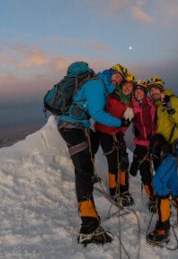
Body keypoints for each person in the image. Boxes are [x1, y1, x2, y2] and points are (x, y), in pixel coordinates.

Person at [58, 63, 130, 245]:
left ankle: (89, 219)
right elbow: (97, 113)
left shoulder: (100, 86)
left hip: (75, 126)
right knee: (84, 172)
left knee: (85, 169)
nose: (117, 80)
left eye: (120, 79)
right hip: (71, 127)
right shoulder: (96, 85)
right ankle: (88, 227)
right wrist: (119, 122)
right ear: (109, 73)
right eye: (116, 76)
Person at [146, 76, 178, 245]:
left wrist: (170, 108)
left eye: (156, 88)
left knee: (158, 180)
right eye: (151, 89)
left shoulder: (171, 101)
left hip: (175, 148)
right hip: (166, 149)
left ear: (162, 89)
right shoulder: (157, 106)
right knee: (173, 185)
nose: (153, 91)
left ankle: (163, 228)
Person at [95, 72, 135, 206]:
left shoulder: (129, 102)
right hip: (104, 132)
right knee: (113, 162)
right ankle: (114, 192)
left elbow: (125, 122)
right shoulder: (111, 96)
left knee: (123, 161)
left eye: (130, 87)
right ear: (121, 85)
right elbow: (100, 111)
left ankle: (124, 190)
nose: (127, 88)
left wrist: (122, 130)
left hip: (117, 132)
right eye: (125, 85)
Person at [129, 80, 156, 212]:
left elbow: (155, 122)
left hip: (153, 142)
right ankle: (152, 198)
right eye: (136, 91)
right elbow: (126, 120)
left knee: (157, 170)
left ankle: (160, 195)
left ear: (145, 93)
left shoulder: (151, 105)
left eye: (141, 91)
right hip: (140, 143)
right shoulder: (131, 105)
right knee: (145, 172)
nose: (138, 93)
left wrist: (155, 136)